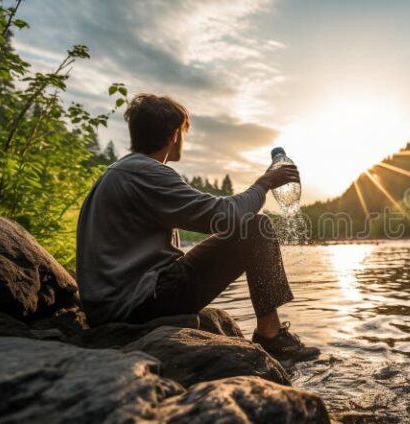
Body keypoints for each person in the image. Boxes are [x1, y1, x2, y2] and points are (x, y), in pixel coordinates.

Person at [76, 93, 319, 363]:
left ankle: (270, 334)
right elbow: (224, 216)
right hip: (138, 306)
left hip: (111, 305)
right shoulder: (146, 173)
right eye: (183, 132)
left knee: (250, 226)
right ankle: (270, 337)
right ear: (174, 135)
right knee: (256, 226)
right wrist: (263, 184)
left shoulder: (120, 171)